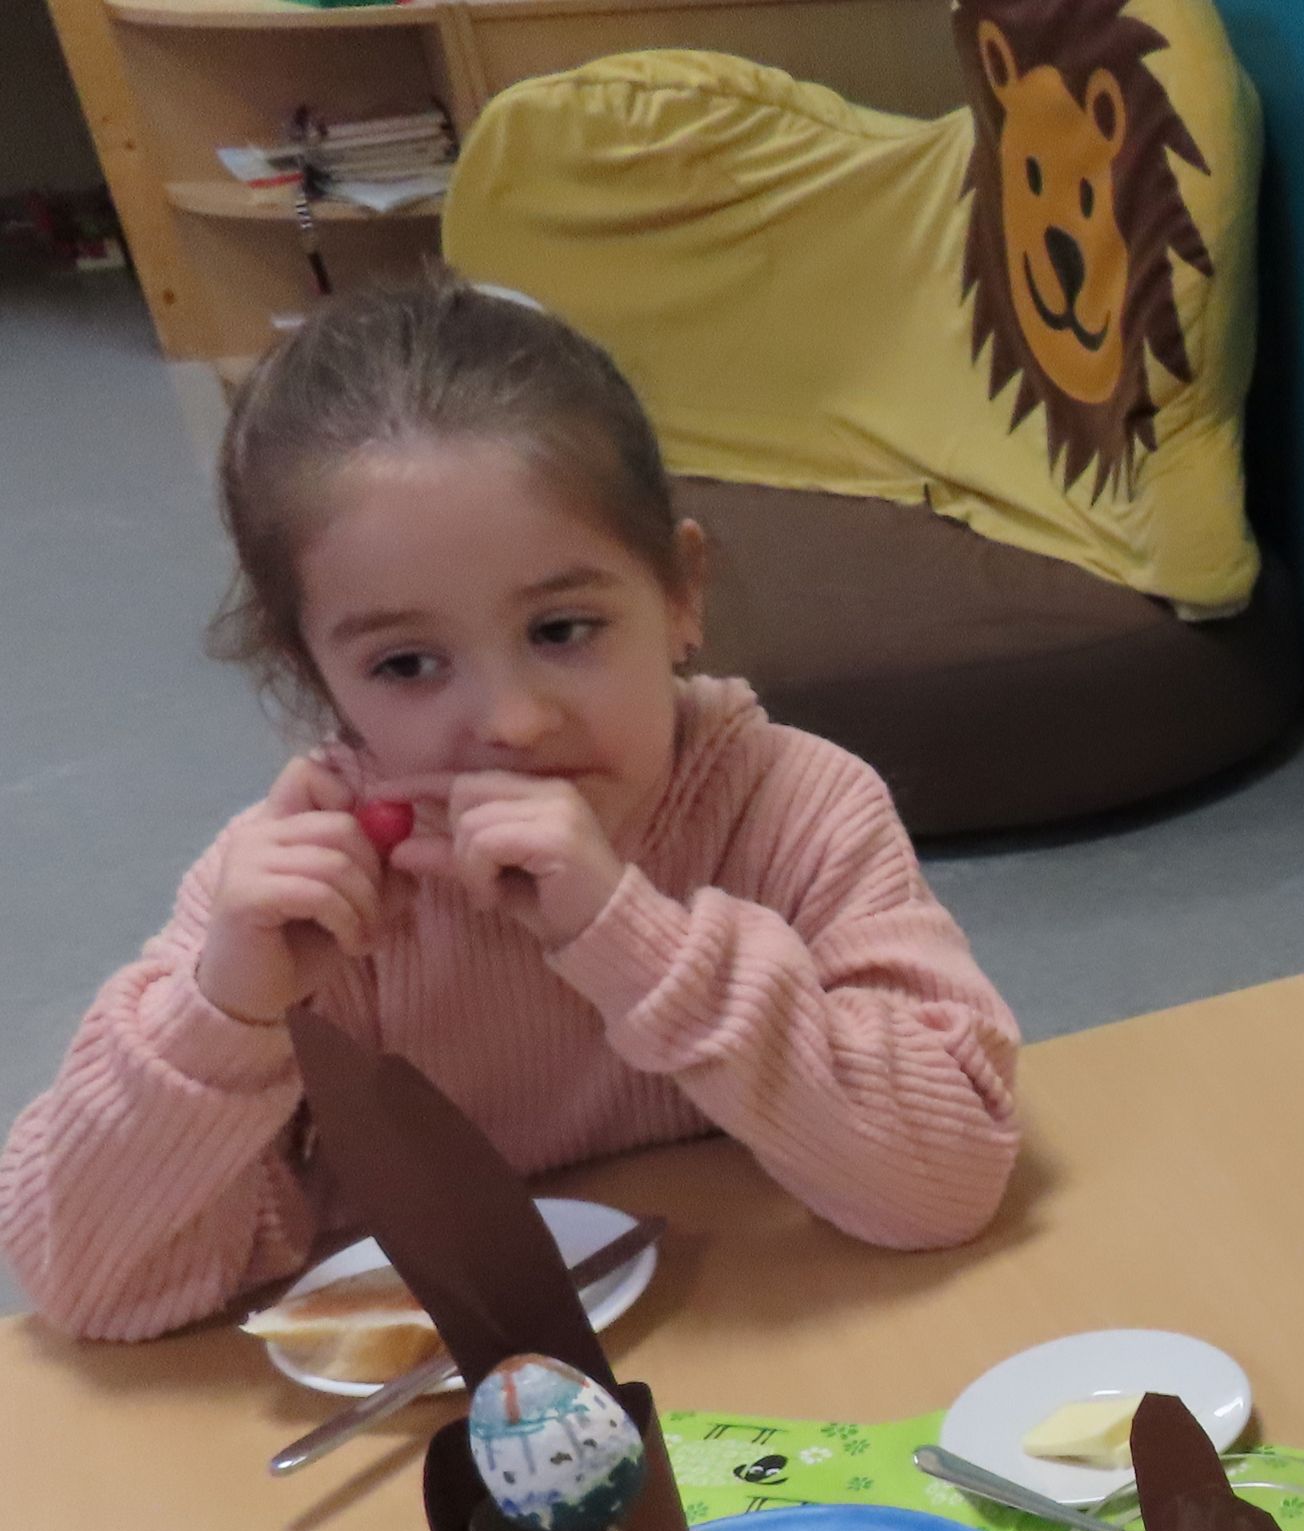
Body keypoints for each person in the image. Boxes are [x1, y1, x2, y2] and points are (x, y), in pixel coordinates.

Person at [1, 277, 1021, 1339]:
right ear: (317, 677)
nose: (514, 723)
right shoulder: (303, 898)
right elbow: (91, 1290)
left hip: (762, 1341)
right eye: (406, 664)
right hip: (448, 1387)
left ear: (680, 593)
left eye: (562, 630)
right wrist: (223, 1020)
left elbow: (946, 1181)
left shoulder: (792, 806)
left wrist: (634, 939)